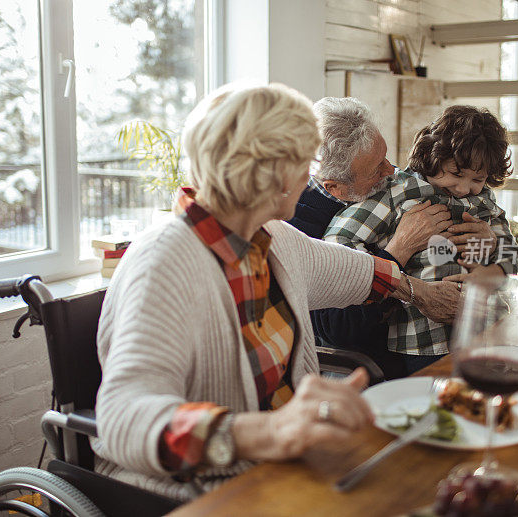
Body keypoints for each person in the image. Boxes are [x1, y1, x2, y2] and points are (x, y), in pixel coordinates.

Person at [92, 83, 461, 500]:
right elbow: (122, 416)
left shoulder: (272, 238)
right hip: (198, 490)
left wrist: (415, 290)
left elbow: (355, 272)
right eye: (304, 161)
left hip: (285, 467)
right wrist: (268, 432)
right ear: (269, 174)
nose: (312, 177)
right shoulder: (163, 262)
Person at [324, 105, 518, 372]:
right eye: (455, 174)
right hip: (423, 338)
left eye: (478, 178)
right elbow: (339, 243)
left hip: (485, 324)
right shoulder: (398, 192)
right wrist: (401, 274)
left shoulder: (484, 199)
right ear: (433, 156)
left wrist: (491, 269)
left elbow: (513, 252)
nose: (464, 189)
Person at [289, 97, 460, 377]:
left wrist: (479, 232)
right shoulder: (299, 227)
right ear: (335, 188)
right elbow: (337, 331)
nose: (391, 170)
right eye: (376, 169)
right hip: (374, 367)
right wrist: (400, 249)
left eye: (385, 156)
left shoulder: (385, 185)